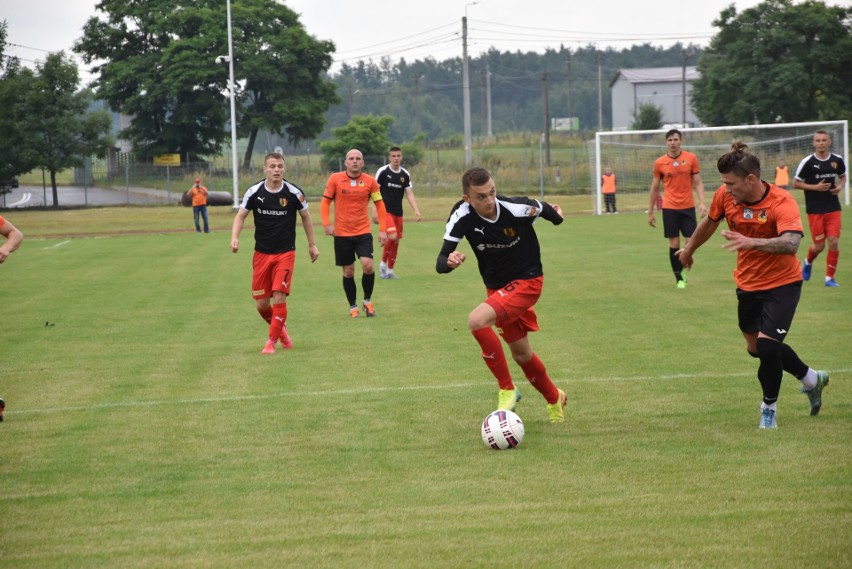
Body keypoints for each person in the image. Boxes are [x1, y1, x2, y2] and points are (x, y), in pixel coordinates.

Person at [676, 141, 829, 429]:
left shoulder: (781, 202)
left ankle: (768, 408)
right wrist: (689, 250)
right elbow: (709, 222)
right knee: (756, 349)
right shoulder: (726, 196)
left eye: (731, 183)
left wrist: (751, 242)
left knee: (768, 347)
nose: (727, 189)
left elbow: (791, 242)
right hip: (748, 284)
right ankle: (811, 378)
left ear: (751, 179)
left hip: (783, 284)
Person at [435, 166, 567, 422]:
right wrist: (449, 261)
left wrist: (558, 215)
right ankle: (555, 398)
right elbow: (441, 261)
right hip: (498, 288)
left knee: (476, 320)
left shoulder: (515, 207)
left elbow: (547, 211)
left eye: (492, 192)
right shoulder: (461, 215)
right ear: (467, 199)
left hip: (528, 281)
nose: (489, 200)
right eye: (481, 197)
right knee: (521, 354)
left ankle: (507, 388)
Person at [230, 152, 319, 354]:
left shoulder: (294, 193)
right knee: (262, 304)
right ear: (265, 169)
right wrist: (235, 237)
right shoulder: (254, 192)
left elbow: (306, 217)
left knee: (279, 296)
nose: (276, 170)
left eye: (279, 166)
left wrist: (312, 244)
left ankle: (271, 342)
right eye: (272, 166)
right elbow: (240, 216)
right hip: (261, 253)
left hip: (285, 253)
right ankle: (282, 333)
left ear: (284, 168)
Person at [321, 148, 390, 318]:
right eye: (351, 158)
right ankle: (352, 306)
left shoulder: (370, 181)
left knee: (368, 265)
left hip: (363, 232)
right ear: (345, 162)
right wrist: (327, 224)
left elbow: (380, 205)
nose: (354, 161)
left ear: (362, 162)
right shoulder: (335, 179)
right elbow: (325, 202)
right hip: (342, 234)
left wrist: (383, 229)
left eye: (358, 158)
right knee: (348, 271)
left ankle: (367, 302)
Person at [648, 128, 707, 288]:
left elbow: (698, 182)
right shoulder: (660, 163)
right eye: (670, 140)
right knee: (674, 243)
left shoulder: (691, 159)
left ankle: (687, 260)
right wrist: (651, 211)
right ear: (666, 142)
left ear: (680, 141)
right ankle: (679, 278)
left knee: (690, 242)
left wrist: (702, 202)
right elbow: (654, 188)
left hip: (688, 207)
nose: (673, 143)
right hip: (669, 208)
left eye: (675, 139)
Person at [794, 130, 847, 287]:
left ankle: (829, 278)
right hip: (815, 209)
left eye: (824, 140)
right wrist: (815, 187)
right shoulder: (807, 162)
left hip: (833, 207)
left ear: (829, 142)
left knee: (833, 241)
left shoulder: (837, 160)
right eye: (818, 140)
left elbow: (843, 176)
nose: (821, 143)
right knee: (819, 246)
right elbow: (796, 183)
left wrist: (839, 186)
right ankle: (808, 261)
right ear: (813, 143)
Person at [374, 146, 421, 279]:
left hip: (398, 212)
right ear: (389, 158)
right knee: (392, 236)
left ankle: (390, 271)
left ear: (401, 157)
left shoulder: (404, 174)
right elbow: (375, 192)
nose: (396, 158)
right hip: (385, 211)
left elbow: (409, 193)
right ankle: (382, 264)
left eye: (398, 156)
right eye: (393, 156)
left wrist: (416, 210)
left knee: (396, 241)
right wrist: (374, 211)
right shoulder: (382, 172)